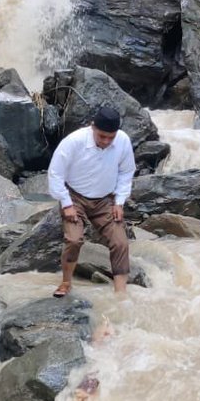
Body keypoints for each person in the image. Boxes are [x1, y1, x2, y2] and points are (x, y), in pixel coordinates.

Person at [46, 105, 135, 296]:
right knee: (74, 239)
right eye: (102, 136)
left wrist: (119, 201)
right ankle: (66, 282)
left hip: (105, 199)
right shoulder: (74, 141)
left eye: (110, 137)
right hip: (75, 196)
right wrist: (66, 203)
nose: (106, 141)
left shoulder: (123, 141)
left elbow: (127, 171)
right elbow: (55, 172)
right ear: (92, 127)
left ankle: (121, 293)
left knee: (120, 242)